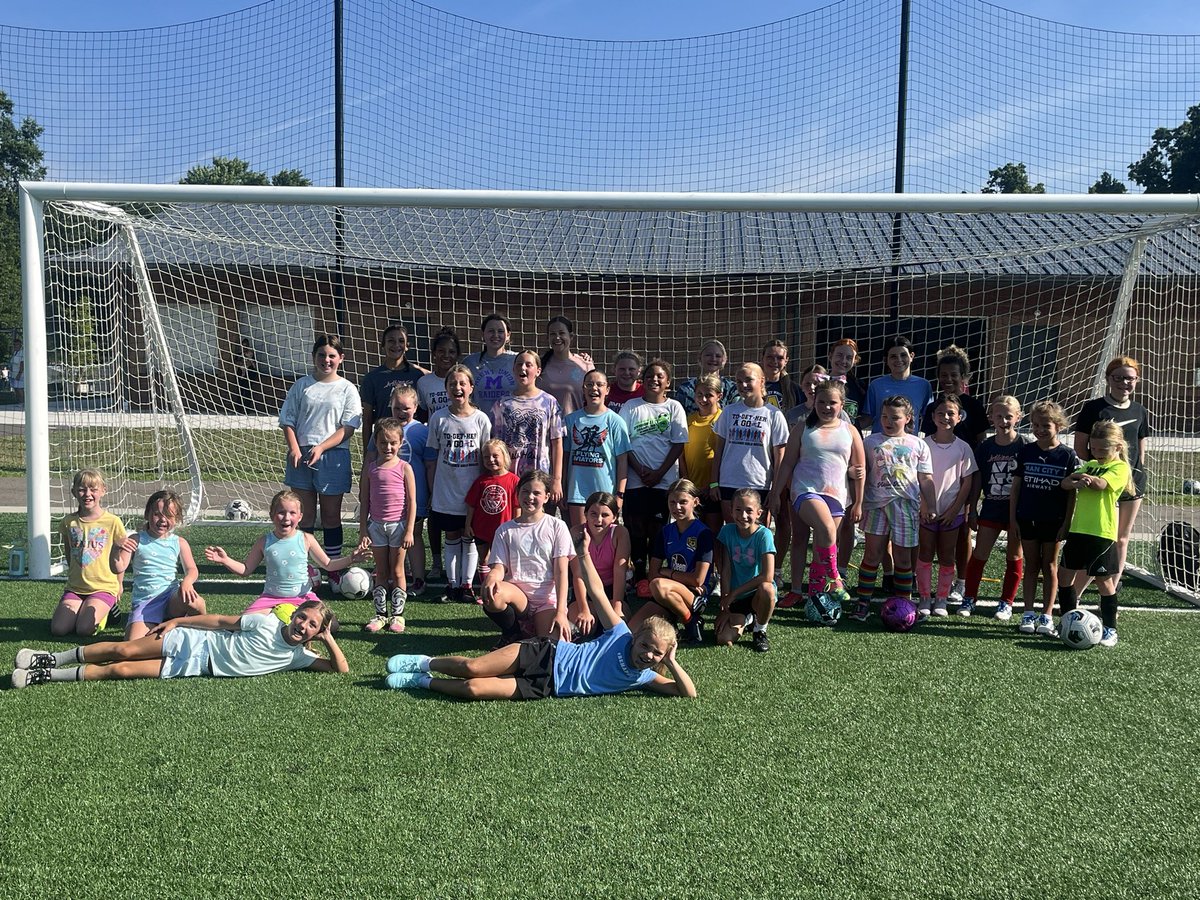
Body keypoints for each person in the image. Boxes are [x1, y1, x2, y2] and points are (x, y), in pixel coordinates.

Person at [383, 526, 695, 700]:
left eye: (656, 653)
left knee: (473, 689)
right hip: (547, 654)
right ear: (636, 637)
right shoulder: (620, 634)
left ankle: (420, 682)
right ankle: (423, 662)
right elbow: (598, 592)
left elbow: (688, 694)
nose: (648, 655)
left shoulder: (645, 676)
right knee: (474, 668)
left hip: (548, 687)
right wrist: (582, 552)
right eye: (646, 645)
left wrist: (670, 661)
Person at [12, 599, 347, 688]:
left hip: (195, 666)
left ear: (317, 633)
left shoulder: (298, 657)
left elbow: (340, 670)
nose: (303, 625)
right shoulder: (266, 622)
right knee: (123, 649)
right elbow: (220, 622)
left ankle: (47, 676)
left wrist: (329, 639)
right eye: (302, 617)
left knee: (121, 670)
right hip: (193, 641)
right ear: (293, 614)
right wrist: (178, 622)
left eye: (312, 626)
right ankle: (53, 658)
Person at [770, 379, 864, 605]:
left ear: (842, 405)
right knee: (814, 533)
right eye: (821, 402)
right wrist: (776, 493)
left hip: (837, 494)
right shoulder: (802, 428)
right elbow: (787, 463)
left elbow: (860, 469)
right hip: (805, 490)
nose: (826, 407)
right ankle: (829, 579)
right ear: (814, 402)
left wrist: (859, 502)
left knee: (826, 541)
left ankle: (815, 594)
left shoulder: (850, 431)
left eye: (832, 402)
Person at [279, 334, 362, 584]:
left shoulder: (347, 388)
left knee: (330, 517)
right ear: (314, 357)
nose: (326, 360)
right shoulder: (301, 386)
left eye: (332, 356)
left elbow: (349, 427)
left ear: (341, 358)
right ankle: (304, 569)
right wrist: (295, 448)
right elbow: (287, 420)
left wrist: (322, 447)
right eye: (321, 355)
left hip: (332, 456)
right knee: (302, 517)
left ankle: (332, 569)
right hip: (302, 456)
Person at [205, 489, 366, 613]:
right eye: (281, 512)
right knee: (248, 622)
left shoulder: (306, 539)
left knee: (330, 626)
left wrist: (351, 559)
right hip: (270, 598)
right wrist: (225, 560)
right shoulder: (264, 541)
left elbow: (328, 564)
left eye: (292, 513)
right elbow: (246, 570)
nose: (286, 518)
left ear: (300, 516)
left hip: (302, 598)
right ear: (272, 515)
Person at [851, 396, 936, 622]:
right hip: (876, 505)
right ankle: (863, 603)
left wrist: (931, 504)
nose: (888, 421)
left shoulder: (918, 444)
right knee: (872, 555)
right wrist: (857, 499)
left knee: (903, 560)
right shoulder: (870, 442)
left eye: (895, 417)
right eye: (884, 416)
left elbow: (925, 478)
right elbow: (861, 472)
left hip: (906, 506)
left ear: (908, 418)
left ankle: (905, 605)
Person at [1073, 356, 1150, 588]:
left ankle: (1110, 593)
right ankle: (1076, 593)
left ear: (1136, 380)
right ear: (1108, 379)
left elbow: (1140, 449)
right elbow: (1081, 448)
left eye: (1130, 378)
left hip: (1131, 483)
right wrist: (1102, 471)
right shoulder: (1093, 408)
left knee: (1121, 539)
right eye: (1118, 378)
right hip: (1103, 484)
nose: (1124, 383)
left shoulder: (1139, 410)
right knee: (1101, 539)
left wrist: (1132, 474)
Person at [1056, 421, 1134, 647]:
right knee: (1064, 577)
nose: (1097, 453)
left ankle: (1110, 629)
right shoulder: (1089, 464)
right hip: (1078, 529)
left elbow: (1100, 485)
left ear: (1117, 447)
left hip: (1101, 533)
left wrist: (1085, 480)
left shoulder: (1119, 468)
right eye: (1094, 448)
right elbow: (1065, 483)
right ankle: (1068, 620)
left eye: (1103, 449)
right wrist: (1075, 481)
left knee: (1103, 581)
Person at [479, 470, 576, 645]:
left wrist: (561, 611)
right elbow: (499, 567)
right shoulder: (505, 530)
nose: (530, 497)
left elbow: (561, 572)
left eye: (536, 493)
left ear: (546, 497)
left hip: (546, 600)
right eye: (525, 491)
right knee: (493, 592)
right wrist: (491, 578)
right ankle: (512, 633)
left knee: (551, 646)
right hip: (518, 596)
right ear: (518, 493)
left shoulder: (557, 526)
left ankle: (536, 628)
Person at [619, 359, 689, 597]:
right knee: (635, 529)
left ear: (668, 382)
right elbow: (624, 443)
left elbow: (678, 444)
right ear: (643, 380)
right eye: (650, 376)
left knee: (657, 530)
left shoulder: (674, 407)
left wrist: (659, 473)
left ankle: (654, 575)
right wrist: (639, 469)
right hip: (635, 479)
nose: (654, 380)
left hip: (664, 482)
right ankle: (638, 576)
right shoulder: (631, 406)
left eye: (660, 376)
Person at [1010, 400, 1078, 636]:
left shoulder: (1067, 455)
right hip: (1027, 517)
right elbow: (1016, 488)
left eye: (1045, 425)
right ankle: (1028, 612)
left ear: (1059, 426)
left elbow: (1072, 494)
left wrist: (1067, 522)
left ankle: (1047, 615)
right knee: (1031, 565)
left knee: (1050, 566)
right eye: (1035, 425)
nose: (1039, 430)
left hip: (1053, 520)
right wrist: (1013, 519)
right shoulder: (1026, 451)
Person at [425, 364, 492, 604]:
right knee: (451, 536)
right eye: (452, 383)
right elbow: (431, 457)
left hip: (472, 495)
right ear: (446, 389)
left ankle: (467, 586)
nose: (458, 388)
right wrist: (432, 490)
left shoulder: (481, 419)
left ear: (471, 387)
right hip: (446, 492)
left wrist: (483, 491)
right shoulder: (439, 418)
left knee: (469, 536)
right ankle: (452, 585)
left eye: (463, 383)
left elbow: (486, 458)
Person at [960, 395, 1030, 619]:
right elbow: (978, 480)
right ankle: (969, 598)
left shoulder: (1025, 445)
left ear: (1018, 417)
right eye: (999, 416)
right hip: (991, 508)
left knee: (1014, 555)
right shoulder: (986, 447)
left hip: (1017, 512)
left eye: (1009, 416)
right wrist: (973, 508)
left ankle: (1006, 603)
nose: (1003, 421)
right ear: (991, 417)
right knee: (980, 554)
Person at [110, 490, 206, 641]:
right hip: (146, 603)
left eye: (169, 516)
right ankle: (164, 629)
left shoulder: (179, 542)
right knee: (132, 644)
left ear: (177, 519)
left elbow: (192, 569)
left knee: (195, 601)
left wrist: (187, 582)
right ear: (147, 514)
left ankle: (202, 631)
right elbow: (118, 567)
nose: (162, 520)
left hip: (171, 599)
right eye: (157, 514)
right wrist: (115, 549)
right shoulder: (136, 539)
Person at [629, 479, 714, 645]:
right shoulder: (665, 532)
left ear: (695, 502)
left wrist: (668, 572)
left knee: (659, 585)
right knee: (631, 630)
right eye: (672, 502)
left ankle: (690, 621)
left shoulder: (703, 533)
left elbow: (698, 580)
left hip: (693, 594)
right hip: (668, 591)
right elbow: (652, 574)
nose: (677, 507)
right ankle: (687, 618)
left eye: (683, 502)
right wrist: (670, 576)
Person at [916, 394, 978, 618]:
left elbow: (967, 482)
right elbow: (918, 477)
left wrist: (954, 510)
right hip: (926, 511)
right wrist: (925, 505)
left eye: (951, 413)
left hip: (952, 512)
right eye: (941, 413)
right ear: (933, 416)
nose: (945, 417)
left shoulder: (963, 448)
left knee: (947, 555)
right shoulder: (922, 445)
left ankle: (941, 599)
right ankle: (925, 597)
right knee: (925, 552)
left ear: (959, 417)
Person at [356, 418, 417, 633]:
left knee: (398, 571)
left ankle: (397, 616)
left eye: (393, 443)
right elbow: (365, 501)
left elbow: (412, 502)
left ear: (400, 443)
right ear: (376, 442)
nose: (388, 447)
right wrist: (363, 530)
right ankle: (380, 615)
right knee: (380, 572)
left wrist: (409, 530)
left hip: (398, 527)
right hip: (376, 527)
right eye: (383, 442)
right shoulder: (371, 469)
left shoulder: (405, 468)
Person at [711, 363, 789, 524]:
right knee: (732, 532)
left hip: (759, 483)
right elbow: (718, 451)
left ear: (762, 381)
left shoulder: (774, 414)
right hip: (729, 481)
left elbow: (780, 457)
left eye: (748, 380)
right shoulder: (729, 411)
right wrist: (714, 483)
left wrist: (775, 491)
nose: (743, 385)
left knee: (757, 533)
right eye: (739, 381)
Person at [52, 469, 127, 636]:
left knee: (83, 630)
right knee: (58, 629)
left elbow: (120, 557)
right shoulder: (68, 522)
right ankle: (83, 609)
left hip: (103, 587)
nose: (87, 494)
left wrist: (119, 585)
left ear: (103, 490)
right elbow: (69, 553)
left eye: (93, 489)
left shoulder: (113, 522)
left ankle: (106, 613)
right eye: (81, 489)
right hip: (76, 588)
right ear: (74, 492)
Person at [373, 383, 430, 596]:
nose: (401, 412)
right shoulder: (382, 429)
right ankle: (392, 577)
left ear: (415, 407)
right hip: (388, 499)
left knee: (413, 534)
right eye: (397, 407)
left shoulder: (422, 431)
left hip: (415, 494)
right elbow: (371, 458)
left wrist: (430, 490)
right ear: (390, 406)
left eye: (406, 408)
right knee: (389, 537)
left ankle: (418, 579)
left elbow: (430, 463)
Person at [491, 350, 566, 504]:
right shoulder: (502, 404)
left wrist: (557, 480)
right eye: (519, 364)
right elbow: (496, 444)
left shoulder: (550, 402)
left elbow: (557, 443)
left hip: (539, 477)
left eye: (528, 365)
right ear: (513, 369)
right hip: (510, 477)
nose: (523, 368)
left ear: (538, 371)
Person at [563, 369, 630, 528]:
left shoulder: (615, 421)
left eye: (599, 384)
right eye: (589, 384)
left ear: (607, 390)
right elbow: (565, 458)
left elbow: (622, 461)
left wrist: (620, 495)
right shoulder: (571, 420)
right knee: (580, 538)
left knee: (603, 538)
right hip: (577, 493)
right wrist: (563, 488)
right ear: (583, 389)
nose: (594, 388)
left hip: (605, 494)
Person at [715, 489, 777, 652]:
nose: (743, 515)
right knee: (723, 639)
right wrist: (725, 606)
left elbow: (767, 576)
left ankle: (760, 630)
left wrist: (733, 594)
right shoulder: (727, 531)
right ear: (731, 511)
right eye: (738, 509)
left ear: (759, 513)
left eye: (749, 510)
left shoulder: (764, 535)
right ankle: (749, 618)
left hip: (756, 595)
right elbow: (726, 570)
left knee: (767, 589)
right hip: (736, 599)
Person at [567, 491, 631, 634]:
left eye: (605, 515)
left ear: (614, 517)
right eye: (593, 514)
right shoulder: (577, 532)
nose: (599, 520)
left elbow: (619, 571)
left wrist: (617, 606)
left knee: (617, 627)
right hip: (585, 590)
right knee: (584, 629)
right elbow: (578, 574)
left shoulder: (620, 533)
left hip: (611, 590)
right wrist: (584, 609)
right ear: (586, 514)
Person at [464, 439, 521, 601]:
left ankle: (501, 590)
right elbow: (471, 505)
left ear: (505, 456)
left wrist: (516, 527)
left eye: (495, 456)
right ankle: (485, 591)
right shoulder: (481, 481)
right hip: (482, 528)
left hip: (504, 530)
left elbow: (517, 506)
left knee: (504, 562)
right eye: (486, 457)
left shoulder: (514, 480)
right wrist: (468, 525)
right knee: (484, 559)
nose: (491, 460)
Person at [359, 324, 426, 447]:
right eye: (391, 341)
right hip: (385, 444)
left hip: (412, 442)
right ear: (383, 344)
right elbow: (367, 419)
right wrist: (367, 452)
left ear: (407, 346)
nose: (396, 345)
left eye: (401, 341)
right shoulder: (372, 378)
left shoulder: (418, 376)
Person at [679, 373, 724, 536]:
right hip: (693, 489)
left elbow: (723, 455)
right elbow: (681, 454)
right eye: (699, 394)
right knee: (693, 535)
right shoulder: (688, 420)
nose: (703, 399)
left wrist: (712, 484)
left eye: (709, 395)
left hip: (713, 489)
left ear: (719, 396)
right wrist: (687, 482)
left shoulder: (722, 419)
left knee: (713, 535)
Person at [861, 335, 932, 435]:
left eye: (903, 355)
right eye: (893, 356)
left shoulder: (923, 385)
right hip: (880, 443)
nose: (899, 359)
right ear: (886, 360)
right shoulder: (876, 385)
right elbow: (867, 418)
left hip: (909, 443)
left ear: (911, 356)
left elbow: (930, 418)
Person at [464, 313, 518, 420]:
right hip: (479, 425)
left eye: (500, 331)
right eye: (491, 331)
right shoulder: (470, 362)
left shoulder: (518, 361)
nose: (495, 335)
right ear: (483, 334)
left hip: (510, 425)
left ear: (508, 335)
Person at [538, 316, 593, 417]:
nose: (557, 337)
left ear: (571, 336)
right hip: (545, 425)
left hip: (575, 425)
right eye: (553, 334)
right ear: (547, 337)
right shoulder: (538, 364)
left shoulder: (585, 365)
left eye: (562, 333)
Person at [675, 339, 739, 413]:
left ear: (724, 360)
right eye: (708, 355)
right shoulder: (686, 388)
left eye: (718, 356)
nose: (713, 359)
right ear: (700, 358)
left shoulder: (732, 389)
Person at [416, 326, 462, 418]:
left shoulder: (464, 382)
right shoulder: (423, 382)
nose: (446, 355)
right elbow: (423, 415)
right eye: (441, 351)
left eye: (451, 352)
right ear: (434, 353)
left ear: (457, 355)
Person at [827, 338, 868, 425]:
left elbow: (868, 418)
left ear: (855, 361)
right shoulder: (819, 382)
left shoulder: (860, 387)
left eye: (849, 358)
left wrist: (852, 428)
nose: (843, 361)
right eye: (839, 355)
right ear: (830, 356)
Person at [761, 339, 801, 410]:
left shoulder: (794, 389)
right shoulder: (754, 385)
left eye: (780, 358)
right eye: (770, 357)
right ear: (762, 358)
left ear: (786, 361)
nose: (775, 361)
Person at [606, 350, 644, 414]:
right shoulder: (607, 391)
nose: (627, 373)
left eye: (631, 369)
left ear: (639, 371)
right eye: (622, 369)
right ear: (614, 370)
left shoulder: (646, 392)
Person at [233, 337, 262, 415]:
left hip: (249, 375)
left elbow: (254, 364)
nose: (244, 348)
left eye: (246, 346)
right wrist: (240, 363)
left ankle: (247, 408)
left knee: (248, 392)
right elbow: (235, 362)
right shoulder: (239, 355)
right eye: (243, 346)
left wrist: (249, 361)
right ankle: (239, 408)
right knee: (240, 391)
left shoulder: (251, 354)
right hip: (240, 375)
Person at [9, 337, 23, 407]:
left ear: (20, 345)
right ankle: (19, 402)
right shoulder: (14, 353)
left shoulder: (22, 352)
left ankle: (22, 402)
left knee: (19, 388)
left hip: (19, 374)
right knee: (15, 388)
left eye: (17, 345)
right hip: (13, 374)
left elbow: (22, 364)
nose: (15, 346)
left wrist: (19, 374)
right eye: (14, 345)